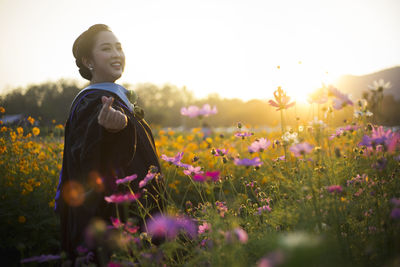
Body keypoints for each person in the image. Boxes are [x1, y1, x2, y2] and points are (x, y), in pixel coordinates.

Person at [54, 24, 162, 264]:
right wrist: (114, 131)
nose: (116, 54)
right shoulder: (92, 103)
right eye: (106, 48)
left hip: (138, 211)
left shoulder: (116, 98)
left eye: (118, 47)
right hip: (114, 221)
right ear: (88, 60)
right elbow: (87, 161)